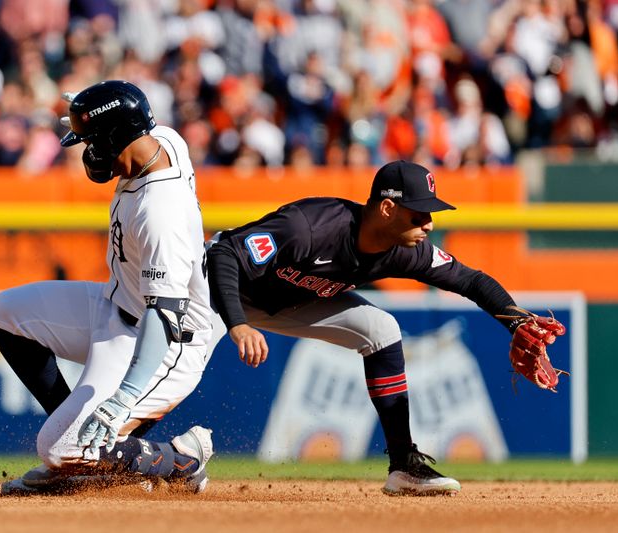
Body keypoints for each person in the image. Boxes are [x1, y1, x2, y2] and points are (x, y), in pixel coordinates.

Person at [206, 160, 565, 496]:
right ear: (387, 209)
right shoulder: (309, 227)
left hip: (291, 300)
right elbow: (225, 254)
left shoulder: (405, 249)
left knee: (381, 330)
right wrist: (237, 324)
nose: (429, 223)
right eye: (419, 212)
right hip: (213, 289)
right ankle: (149, 455)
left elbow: (470, 281)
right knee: (176, 377)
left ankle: (403, 465)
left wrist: (516, 321)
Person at [0, 80, 216, 494]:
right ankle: (83, 457)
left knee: (56, 447)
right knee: (5, 312)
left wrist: (123, 398)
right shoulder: (160, 138)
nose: (87, 150)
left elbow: (162, 318)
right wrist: (89, 109)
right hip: (115, 306)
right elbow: (130, 111)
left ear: (116, 137)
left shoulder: (160, 213)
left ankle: (182, 458)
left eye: (92, 140)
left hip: (168, 340)